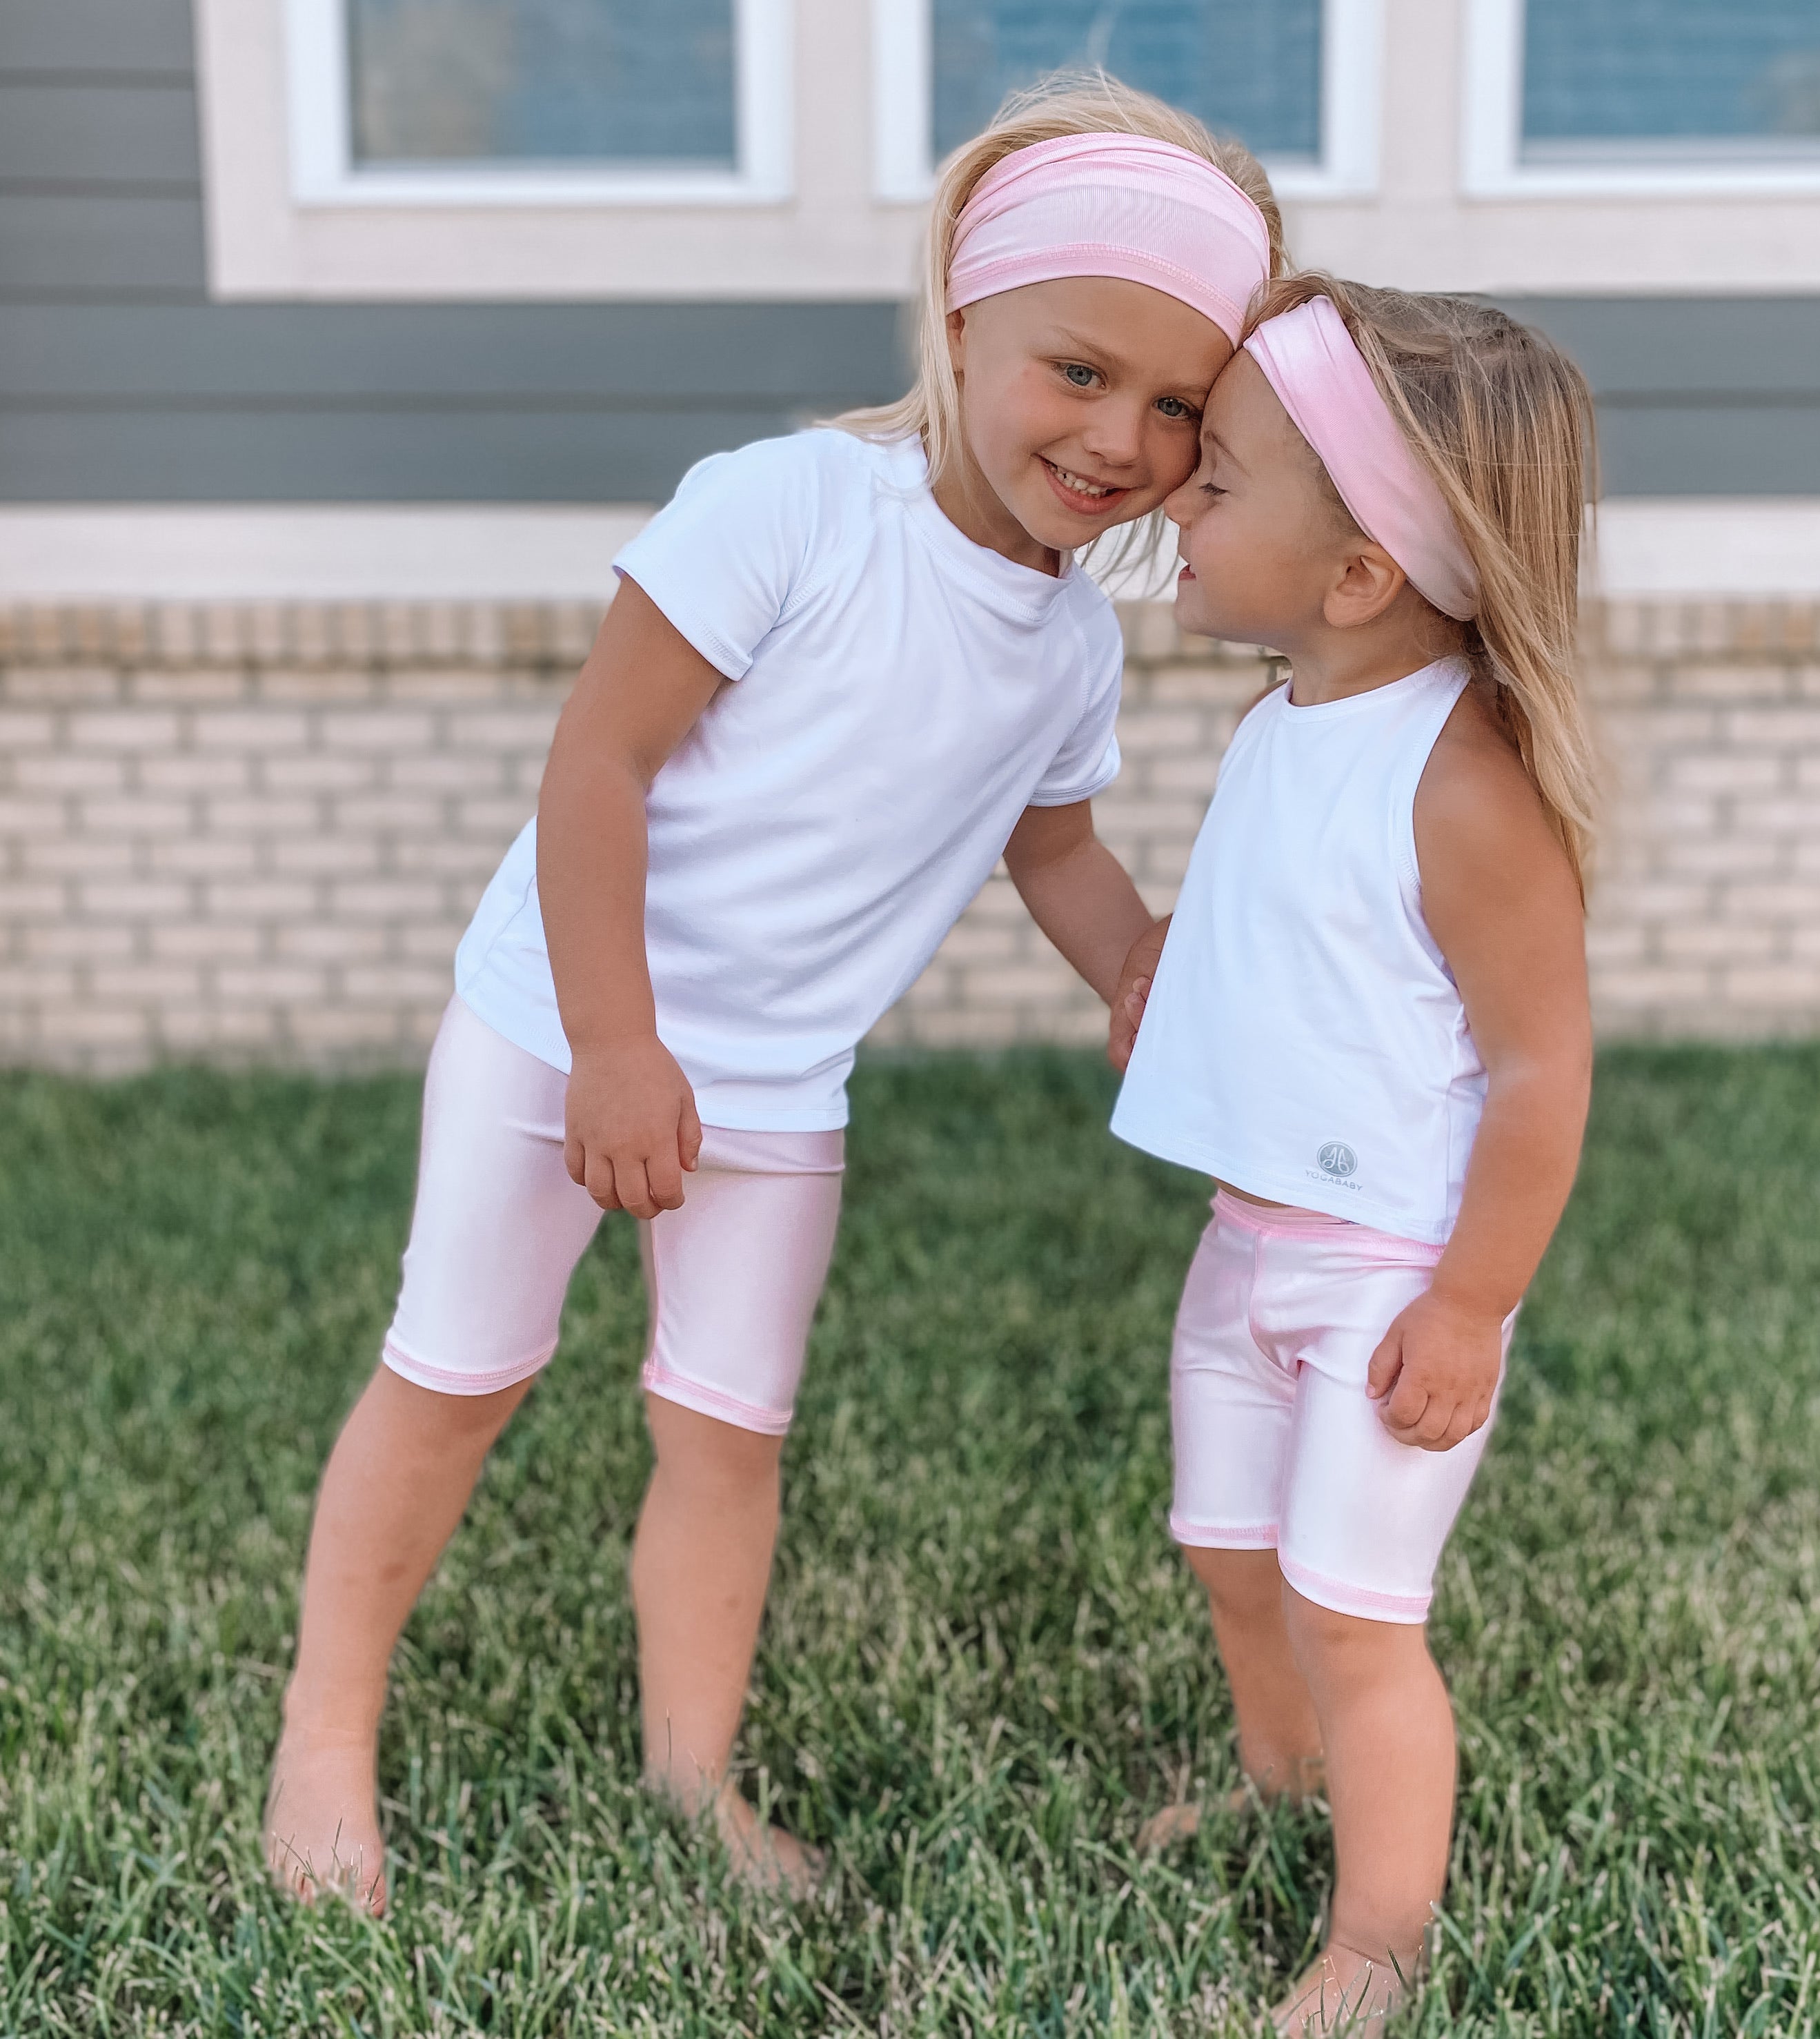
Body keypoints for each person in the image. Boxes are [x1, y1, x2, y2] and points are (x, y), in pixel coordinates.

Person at [263, 79, 1286, 1915]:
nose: (1117, 437)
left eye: (1173, 408)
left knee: (726, 1434)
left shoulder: (1067, 636)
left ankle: (695, 1781)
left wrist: (1142, 961)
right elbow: (597, 768)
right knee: (457, 1377)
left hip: (778, 1088)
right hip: (560, 1020)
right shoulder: (794, 507)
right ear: (963, 321)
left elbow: (1046, 847)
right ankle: (325, 1735)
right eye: (1075, 371)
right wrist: (615, 1042)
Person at [1107, 274, 1599, 2029]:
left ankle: (1377, 1939)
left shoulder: (1461, 785)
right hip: (1247, 1244)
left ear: (1356, 574)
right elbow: (1293, 933)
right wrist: (1175, 982)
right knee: (1230, 1552)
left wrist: (1471, 1302)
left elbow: (1540, 1072)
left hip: (1391, 1268)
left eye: (1217, 478)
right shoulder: (1284, 721)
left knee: (1351, 1608)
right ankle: (1275, 1774)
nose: (1173, 493)